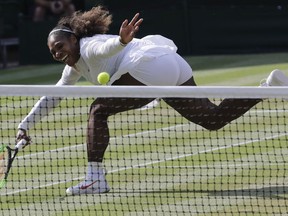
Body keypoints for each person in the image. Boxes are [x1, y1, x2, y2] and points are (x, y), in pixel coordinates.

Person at [16, 5, 288, 195]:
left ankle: (94, 179)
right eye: (52, 51)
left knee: (97, 110)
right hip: (170, 63)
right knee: (212, 119)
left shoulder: (90, 45)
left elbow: (106, 47)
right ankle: (268, 87)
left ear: (74, 40)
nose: (57, 53)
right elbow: (54, 95)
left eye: (60, 46)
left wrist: (121, 43)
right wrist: (25, 124)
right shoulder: (72, 67)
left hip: (147, 64)